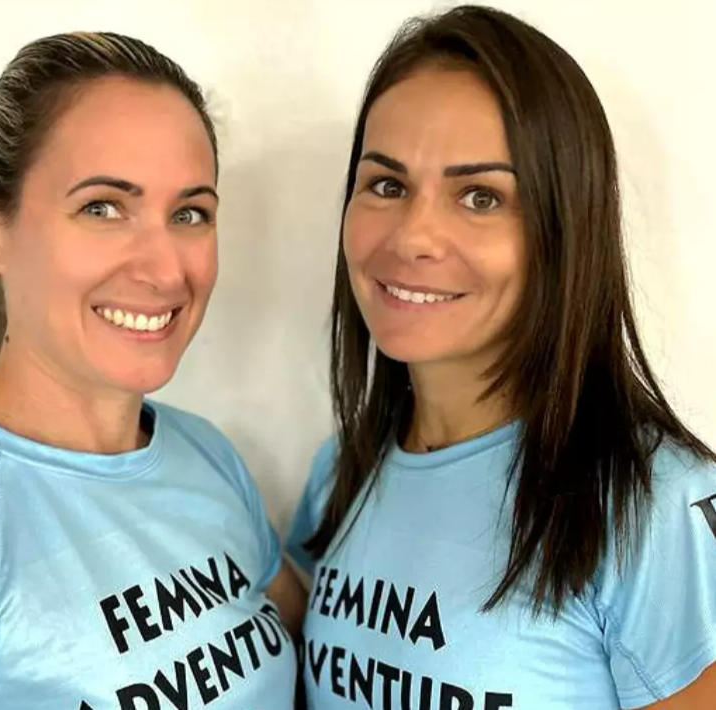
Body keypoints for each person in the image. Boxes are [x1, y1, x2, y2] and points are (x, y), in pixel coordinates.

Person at [286, 5, 716, 709]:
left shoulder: (654, 501)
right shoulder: (340, 469)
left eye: (480, 196)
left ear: (562, 229)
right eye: (387, 185)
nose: (413, 237)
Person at [0, 31, 304, 710]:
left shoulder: (206, 453)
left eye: (189, 213)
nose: (165, 270)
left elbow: (313, 645)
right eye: (102, 207)